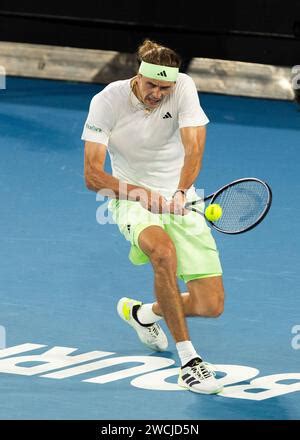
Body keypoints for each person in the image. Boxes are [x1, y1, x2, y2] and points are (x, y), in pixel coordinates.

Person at [83, 39, 224, 394]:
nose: (158, 93)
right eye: (152, 85)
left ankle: (144, 314)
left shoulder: (184, 88)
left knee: (210, 305)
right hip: (130, 197)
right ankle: (189, 362)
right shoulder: (107, 101)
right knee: (162, 253)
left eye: (165, 87)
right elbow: (93, 176)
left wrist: (179, 191)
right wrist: (146, 196)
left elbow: (195, 146)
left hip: (180, 197)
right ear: (138, 76)